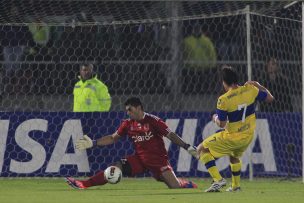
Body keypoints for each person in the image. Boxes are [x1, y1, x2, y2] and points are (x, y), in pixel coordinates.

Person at [66, 97, 198, 189]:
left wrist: (186, 146)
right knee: (116, 166)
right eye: (126, 110)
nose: (128, 113)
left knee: (173, 186)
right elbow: (113, 138)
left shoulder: (153, 121)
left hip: (159, 161)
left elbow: (171, 135)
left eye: (130, 110)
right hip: (140, 159)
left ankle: (183, 183)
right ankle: (84, 184)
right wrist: (94, 143)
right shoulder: (128, 124)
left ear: (139, 107)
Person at [196, 66, 274, 192]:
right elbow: (270, 98)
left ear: (224, 82)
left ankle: (218, 180)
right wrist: (259, 85)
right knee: (234, 156)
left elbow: (221, 124)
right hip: (248, 137)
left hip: (233, 137)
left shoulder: (223, 99)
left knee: (201, 150)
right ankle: (236, 186)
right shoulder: (251, 89)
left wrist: (215, 117)